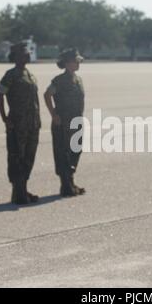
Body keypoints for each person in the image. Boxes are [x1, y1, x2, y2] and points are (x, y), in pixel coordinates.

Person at [0, 42, 40, 205]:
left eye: (27, 53)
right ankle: (18, 192)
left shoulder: (29, 74)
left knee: (28, 157)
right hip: (17, 124)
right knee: (17, 158)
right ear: (15, 57)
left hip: (32, 123)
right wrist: (4, 118)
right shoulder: (11, 75)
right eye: (23, 53)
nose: (27, 55)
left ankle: (22, 189)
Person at [44, 48, 86, 197]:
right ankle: (65, 185)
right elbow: (47, 95)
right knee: (63, 153)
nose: (78, 63)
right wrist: (53, 114)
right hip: (63, 122)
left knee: (76, 150)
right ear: (67, 63)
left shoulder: (78, 79)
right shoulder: (59, 80)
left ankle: (71, 181)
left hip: (76, 121)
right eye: (76, 61)